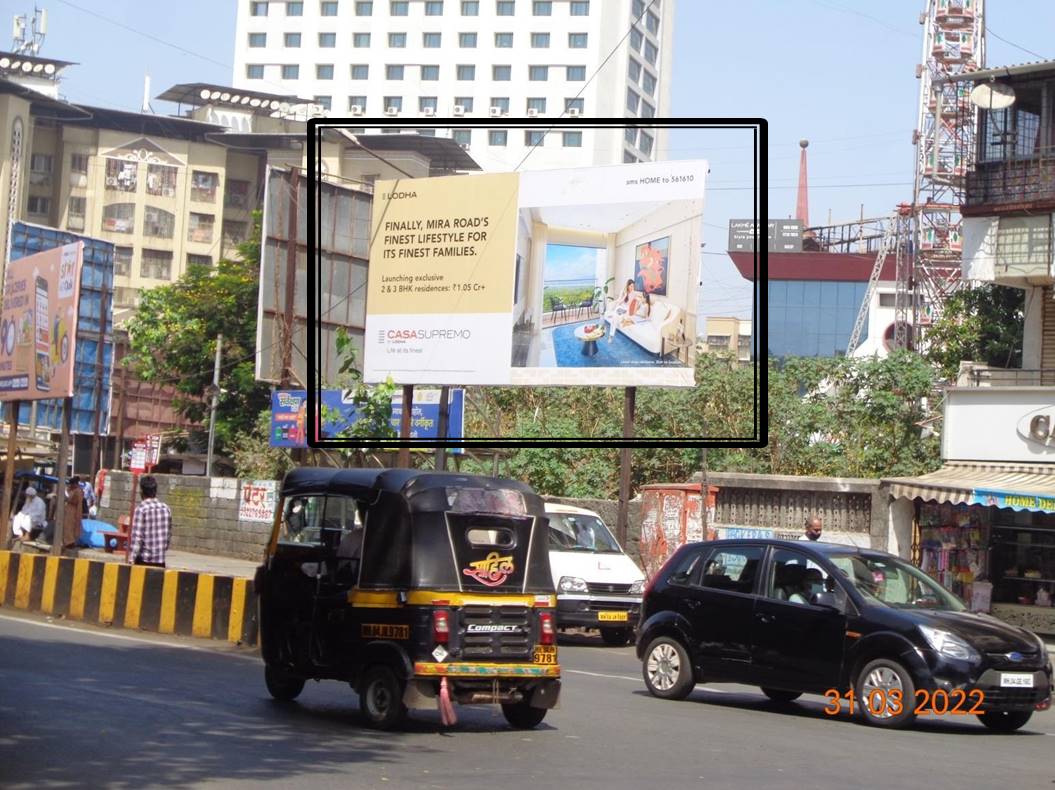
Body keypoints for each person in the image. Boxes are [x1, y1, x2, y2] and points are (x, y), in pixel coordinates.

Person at [128, 475, 172, 568]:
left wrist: (131, 559)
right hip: (161, 561)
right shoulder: (166, 508)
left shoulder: (141, 509)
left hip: (144, 561)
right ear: (155, 491)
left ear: (142, 491)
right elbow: (168, 536)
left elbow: (137, 538)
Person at [63, 477, 84, 550]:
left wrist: (67, 498)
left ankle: (70, 542)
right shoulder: (72, 490)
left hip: (74, 510)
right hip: (69, 509)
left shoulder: (78, 491)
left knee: (71, 526)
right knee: (67, 526)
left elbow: (73, 500)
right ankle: (67, 542)